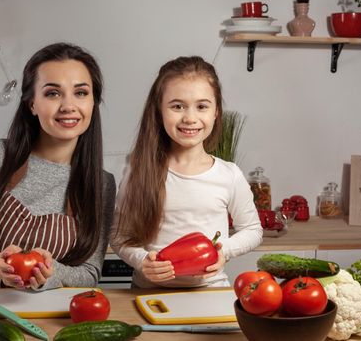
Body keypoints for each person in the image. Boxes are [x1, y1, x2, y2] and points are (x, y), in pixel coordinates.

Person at [0, 43, 116, 290]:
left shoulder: (101, 184)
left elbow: (89, 272)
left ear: (93, 101)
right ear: (32, 103)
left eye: (81, 93)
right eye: (53, 93)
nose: (68, 106)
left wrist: (49, 273)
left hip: (51, 318)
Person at [111, 56, 262, 288]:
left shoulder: (228, 174)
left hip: (211, 292)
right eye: (177, 106)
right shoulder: (139, 171)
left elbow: (252, 230)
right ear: (159, 112)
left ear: (216, 112)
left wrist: (224, 251)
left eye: (202, 106)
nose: (190, 118)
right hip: (149, 296)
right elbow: (119, 235)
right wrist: (143, 262)